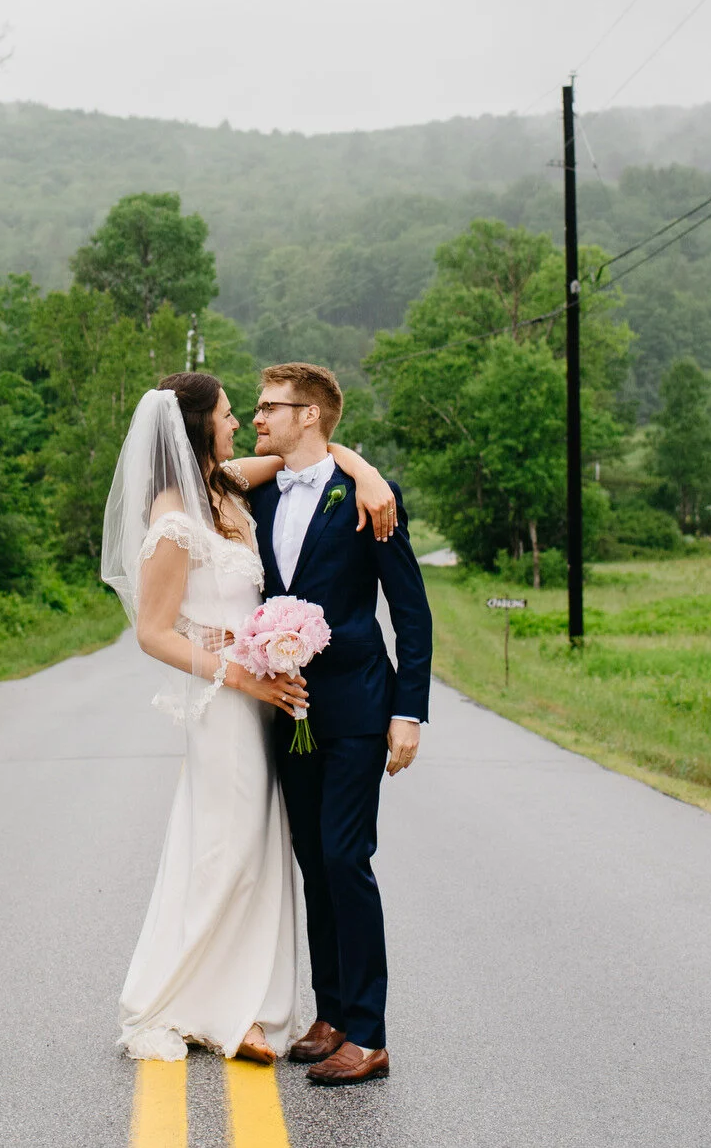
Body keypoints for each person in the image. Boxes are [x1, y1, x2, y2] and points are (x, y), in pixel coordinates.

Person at [106, 372, 397, 1067]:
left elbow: (314, 454)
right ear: (197, 425)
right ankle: (201, 1005)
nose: (240, 423)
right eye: (231, 415)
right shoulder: (175, 517)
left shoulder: (227, 486)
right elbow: (155, 631)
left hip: (263, 702)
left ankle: (246, 1007)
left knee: (261, 851)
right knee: (229, 850)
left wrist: (364, 470)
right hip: (226, 702)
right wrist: (240, 670)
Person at [247, 362, 430, 1086]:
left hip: (357, 704)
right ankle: (328, 1013)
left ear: (311, 415)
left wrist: (407, 710)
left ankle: (370, 1031)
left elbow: (409, 611)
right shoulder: (261, 493)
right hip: (287, 708)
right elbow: (213, 467)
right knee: (311, 862)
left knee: (345, 857)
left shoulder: (369, 500)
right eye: (255, 408)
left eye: (271, 408)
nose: (259, 418)